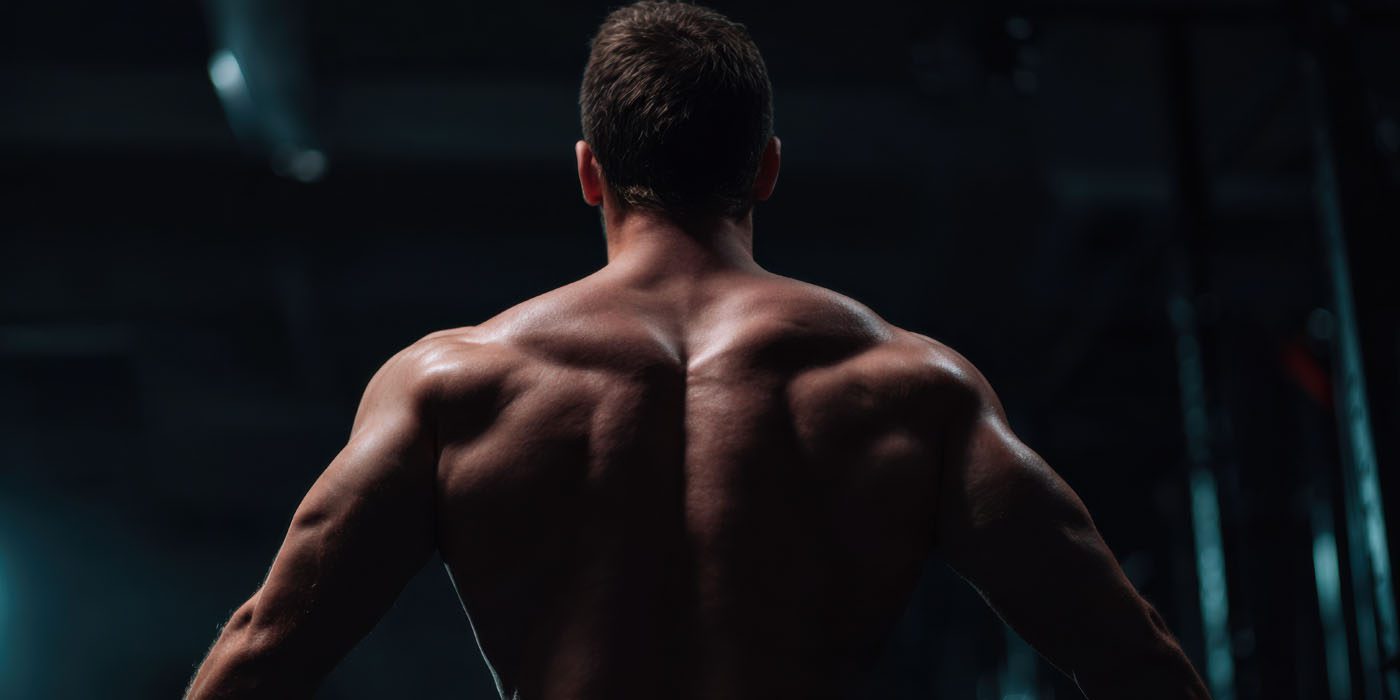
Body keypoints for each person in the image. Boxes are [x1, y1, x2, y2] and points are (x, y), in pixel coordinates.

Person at [185, 2, 1210, 698]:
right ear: (764, 169)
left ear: (590, 173)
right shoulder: (909, 390)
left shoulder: (456, 388)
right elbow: (1134, 659)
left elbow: (261, 652)